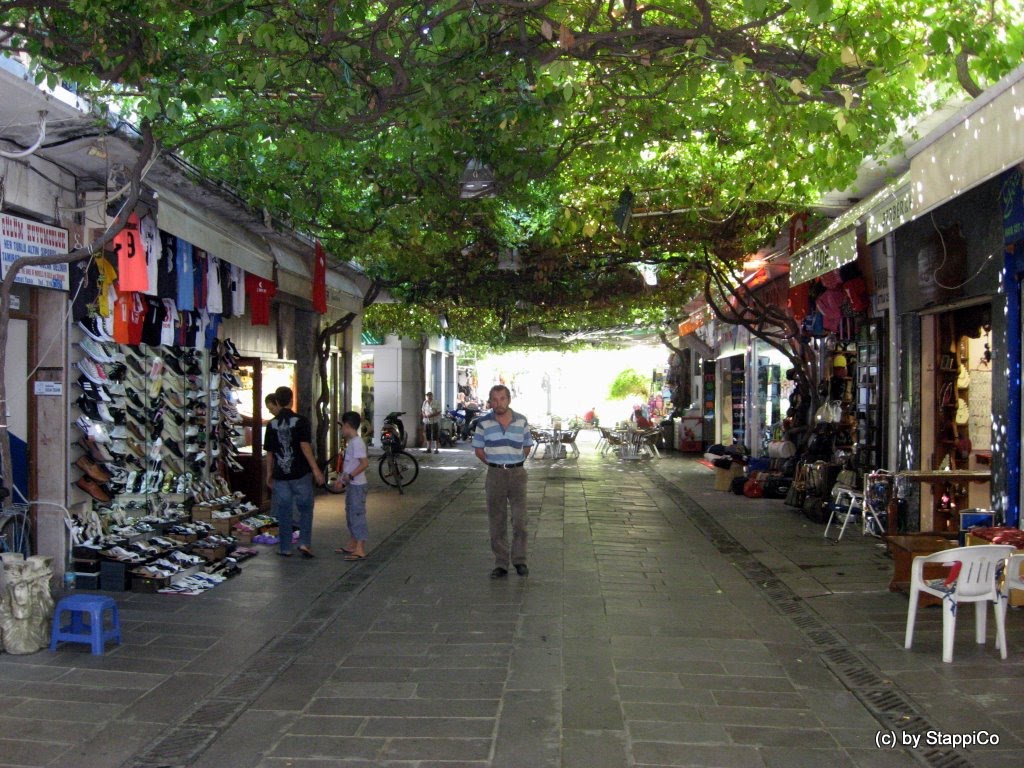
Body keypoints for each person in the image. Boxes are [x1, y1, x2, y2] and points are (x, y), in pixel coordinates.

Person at [472, 384, 534, 579]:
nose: (498, 403)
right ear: (490, 401)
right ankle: (501, 563)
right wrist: (495, 464)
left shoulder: (521, 421)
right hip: (495, 475)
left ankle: (520, 560)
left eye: (502, 399)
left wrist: (514, 462)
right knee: (496, 520)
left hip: (517, 474)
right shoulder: (483, 423)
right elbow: (479, 450)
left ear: (509, 400)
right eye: (494, 400)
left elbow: (526, 447)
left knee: (520, 520)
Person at [264, 386, 324, 558]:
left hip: (281, 476)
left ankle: (285, 547)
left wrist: (269, 474)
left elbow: (269, 453)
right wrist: (316, 469)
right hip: (301, 474)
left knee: (284, 511)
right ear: (291, 400)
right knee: (305, 509)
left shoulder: (271, 425)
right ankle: (304, 543)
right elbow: (305, 446)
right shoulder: (301, 421)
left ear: (276, 402)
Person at [333, 411, 370, 561]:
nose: (342, 430)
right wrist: (342, 478)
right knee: (350, 514)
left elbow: (364, 464)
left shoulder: (357, 443)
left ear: (348, 426)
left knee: (357, 515)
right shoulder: (353, 442)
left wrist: (349, 477)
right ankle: (352, 544)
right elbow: (349, 464)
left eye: (343, 426)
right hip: (352, 485)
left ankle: (360, 548)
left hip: (357, 485)